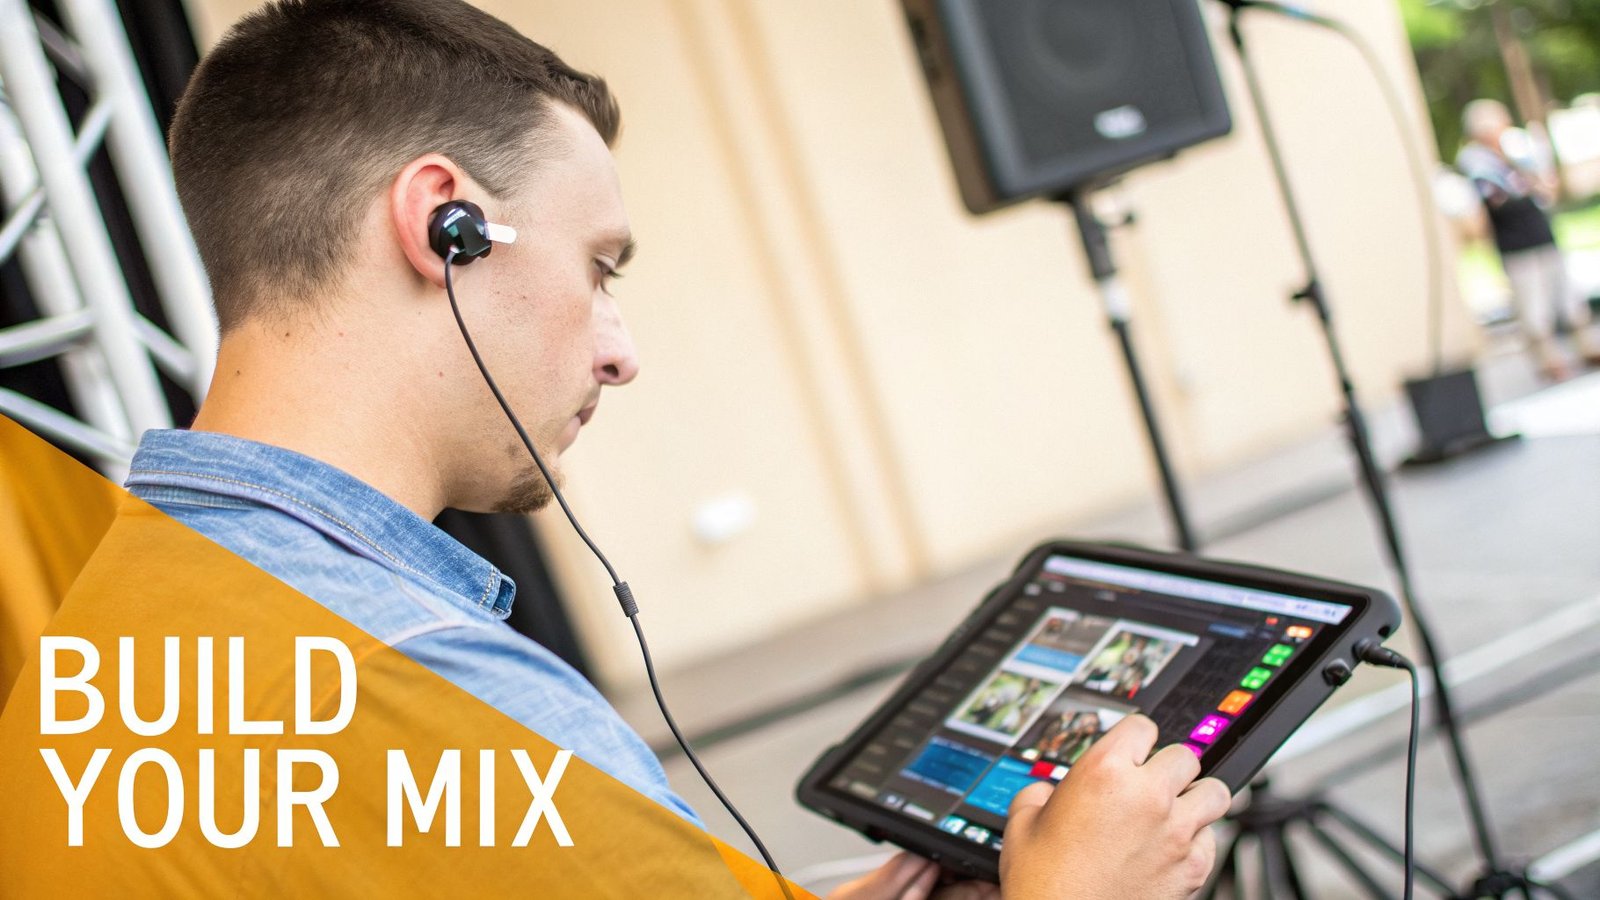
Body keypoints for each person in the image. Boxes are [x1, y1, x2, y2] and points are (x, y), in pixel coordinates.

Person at [129, 0, 1231, 895]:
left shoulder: (114, 601)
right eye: (599, 269)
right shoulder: (434, 688)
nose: (620, 354)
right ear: (442, 229)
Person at [1456, 99, 1600, 380]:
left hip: (1540, 234)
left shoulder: (1514, 153)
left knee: (1568, 298)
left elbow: (1542, 188)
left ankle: (1584, 346)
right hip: (1516, 243)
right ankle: (1549, 361)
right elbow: (1497, 199)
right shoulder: (1478, 162)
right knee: (1533, 306)